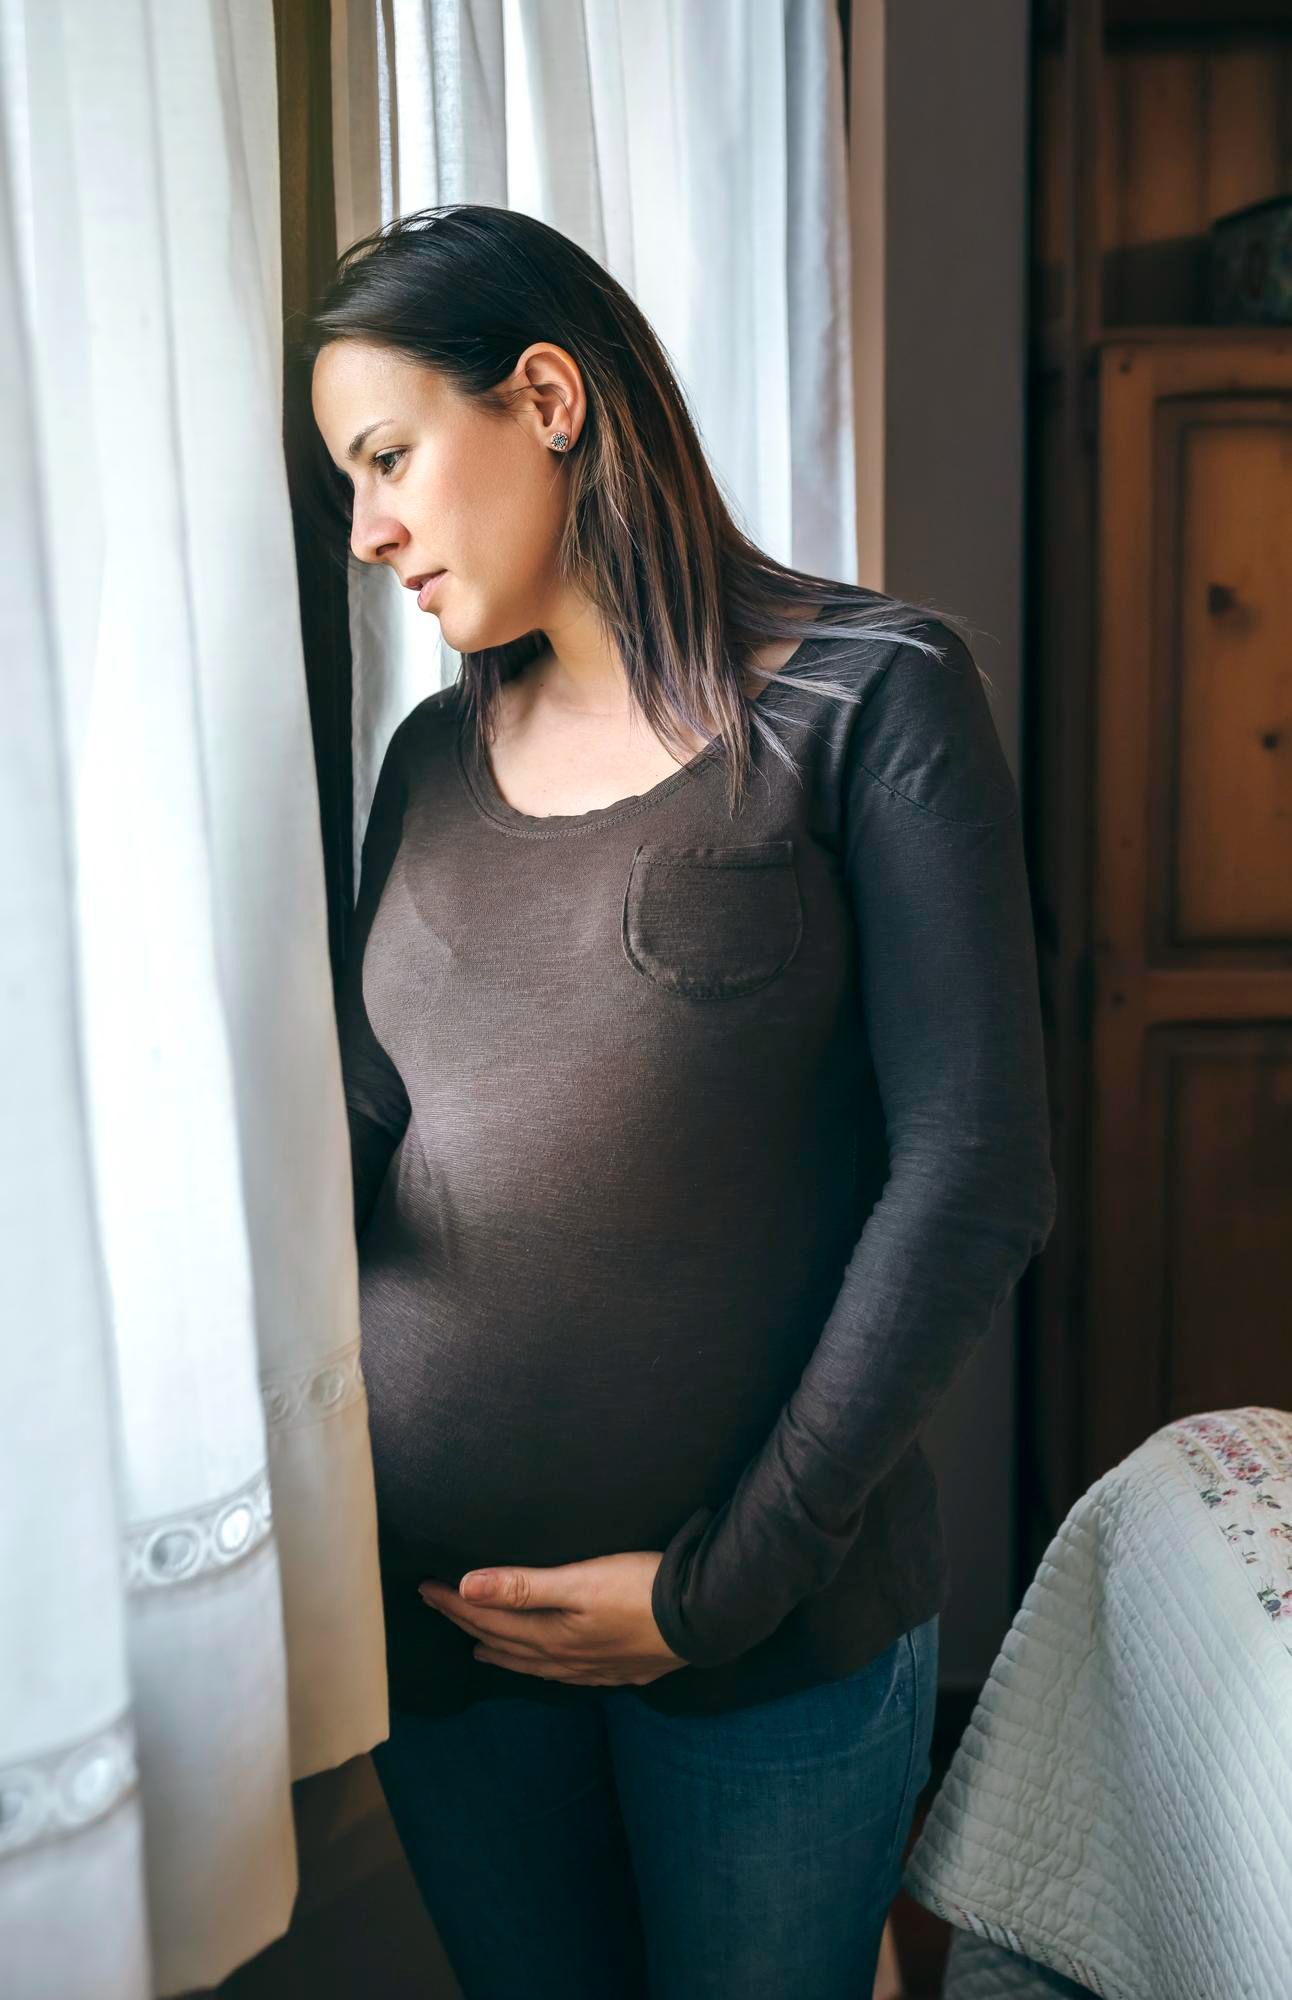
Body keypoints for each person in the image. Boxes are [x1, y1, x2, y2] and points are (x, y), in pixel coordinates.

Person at [297, 202, 1057, 2000]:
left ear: (547, 393)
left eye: (390, 456)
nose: (369, 529)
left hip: (758, 1644)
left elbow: (973, 1178)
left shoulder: (875, 695)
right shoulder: (426, 761)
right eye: (349, 482)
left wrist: (718, 1587)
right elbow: (356, 1135)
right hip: (445, 1641)